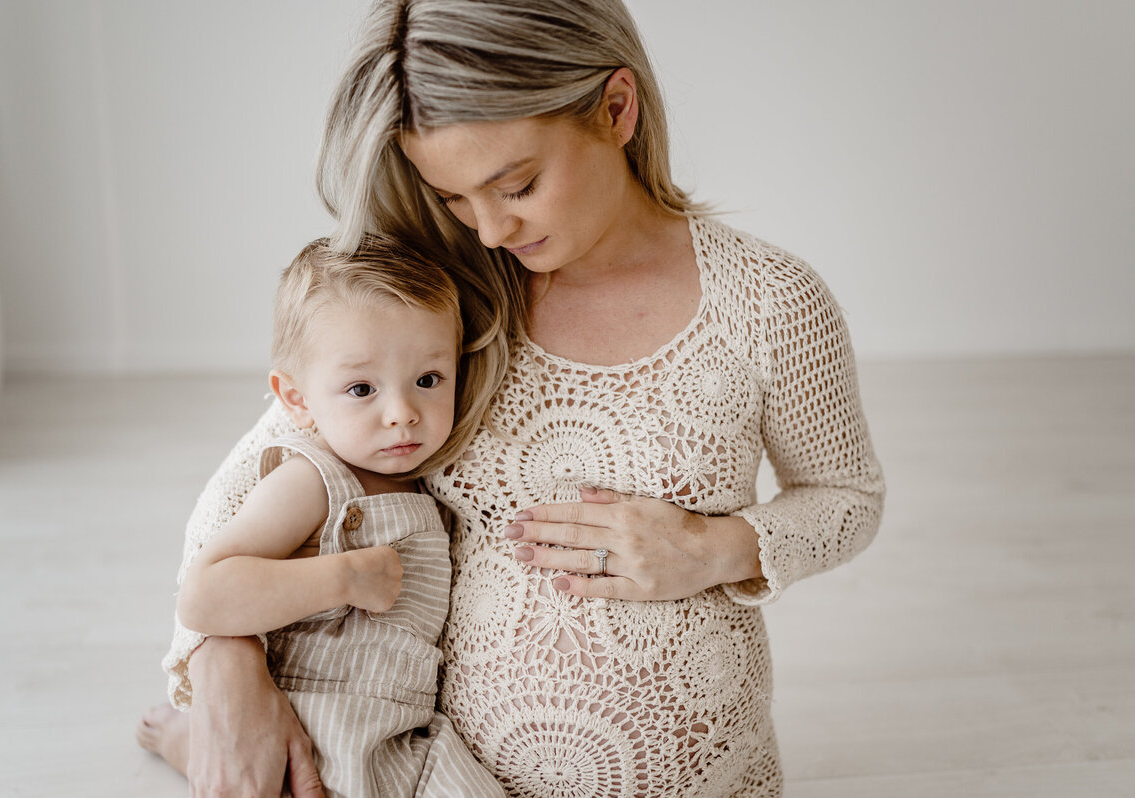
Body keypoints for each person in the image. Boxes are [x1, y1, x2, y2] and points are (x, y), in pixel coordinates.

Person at [139, 1, 886, 795]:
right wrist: (228, 660)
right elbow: (260, 473)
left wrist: (715, 547)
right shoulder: (438, 296)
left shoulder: (769, 301)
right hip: (442, 773)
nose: (489, 230)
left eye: (516, 185)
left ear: (616, 108)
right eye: (456, 197)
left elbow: (847, 497)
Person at [144, 237, 503, 797]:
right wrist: (345, 576)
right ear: (298, 399)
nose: (403, 413)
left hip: (408, 734)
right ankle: (184, 740)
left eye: (428, 380)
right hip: (312, 723)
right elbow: (204, 595)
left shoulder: (435, 485)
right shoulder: (312, 480)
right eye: (362, 389)